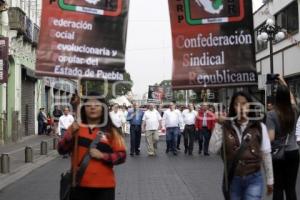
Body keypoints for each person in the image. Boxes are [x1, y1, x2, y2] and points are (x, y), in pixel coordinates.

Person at [58, 92, 126, 200]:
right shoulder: (76, 128)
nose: (92, 108)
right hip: (79, 185)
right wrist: (70, 134)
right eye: (88, 105)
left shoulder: (112, 132)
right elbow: (61, 150)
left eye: (97, 105)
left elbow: (122, 156)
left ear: (103, 108)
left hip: (105, 187)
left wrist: (103, 156)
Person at [209, 91, 274, 200]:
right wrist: (218, 125)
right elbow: (212, 149)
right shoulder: (226, 126)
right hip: (233, 178)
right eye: (236, 104)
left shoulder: (259, 127)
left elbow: (266, 154)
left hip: (254, 178)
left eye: (244, 103)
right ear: (233, 107)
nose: (241, 107)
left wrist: (270, 180)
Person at [266, 76, 299, 200]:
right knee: (291, 188)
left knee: (278, 187)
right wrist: (282, 80)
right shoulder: (294, 110)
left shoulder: (271, 114)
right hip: (293, 152)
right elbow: (291, 98)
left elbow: (271, 138)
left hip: (277, 154)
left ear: (276, 98)